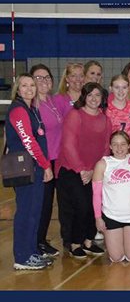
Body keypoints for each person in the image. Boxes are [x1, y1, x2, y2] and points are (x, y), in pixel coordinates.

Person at [5, 74, 54, 270]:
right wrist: (45, 164)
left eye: (32, 85)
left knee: (34, 211)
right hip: (26, 169)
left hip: (35, 168)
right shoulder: (18, 109)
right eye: (24, 85)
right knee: (26, 212)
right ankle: (22, 257)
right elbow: (28, 141)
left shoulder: (32, 109)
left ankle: (31, 251)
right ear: (17, 88)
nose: (29, 89)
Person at [56, 82, 110, 259]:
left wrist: (94, 169)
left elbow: (105, 147)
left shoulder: (105, 119)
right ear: (84, 97)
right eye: (90, 95)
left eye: (97, 95)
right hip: (72, 170)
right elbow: (68, 145)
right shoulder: (75, 115)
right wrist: (81, 169)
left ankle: (88, 241)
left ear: (102, 98)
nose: (94, 98)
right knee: (79, 206)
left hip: (93, 171)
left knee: (93, 206)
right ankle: (74, 242)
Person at [92, 131, 130, 263]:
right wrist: (98, 218)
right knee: (116, 258)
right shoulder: (102, 164)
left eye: (123, 144)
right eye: (115, 144)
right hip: (111, 216)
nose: (119, 148)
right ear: (110, 146)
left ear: (129, 146)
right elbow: (96, 195)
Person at [30, 64, 64, 257]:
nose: (44, 81)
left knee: (48, 204)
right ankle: (37, 242)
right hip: (43, 162)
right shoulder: (32, 106)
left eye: (47, 77)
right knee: (40, 204)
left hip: (56, 159)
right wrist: (42, 164)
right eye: (39, 77)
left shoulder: (51, 101)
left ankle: (41, 239)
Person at [106, 74, 130, 148]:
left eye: (124, 87)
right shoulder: (105, 109)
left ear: (128, 88)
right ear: (111, 89)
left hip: (129, 154)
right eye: (117, 87)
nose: (121, 91)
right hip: (111, 153)